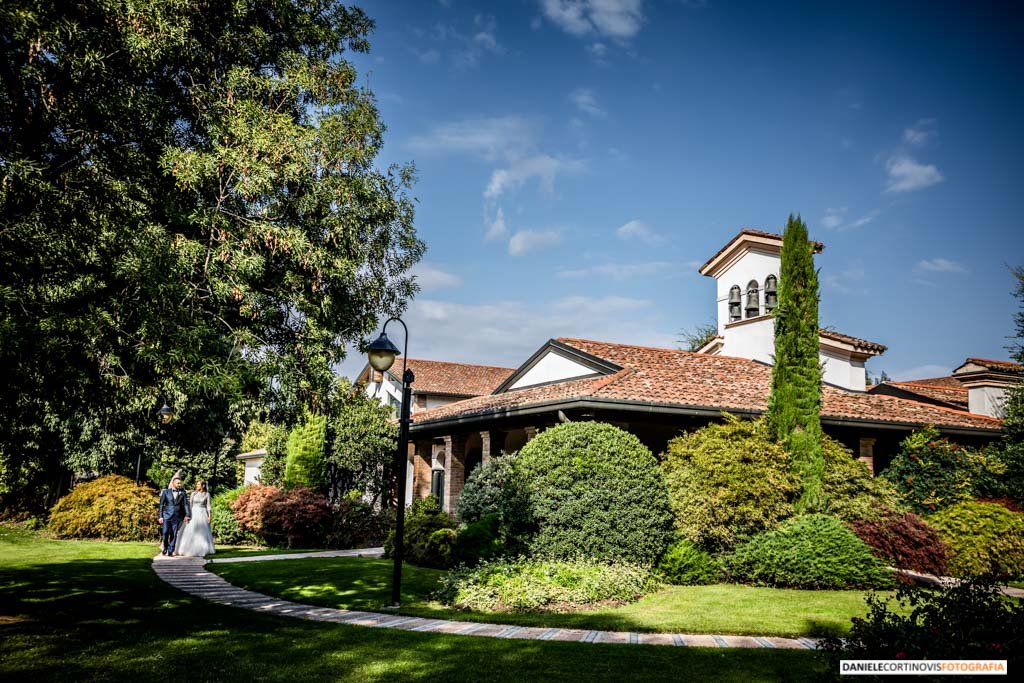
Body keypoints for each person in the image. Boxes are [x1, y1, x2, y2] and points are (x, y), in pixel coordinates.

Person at [175, 480, 216, 557]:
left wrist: (209, 516)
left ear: (203, 486)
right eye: (197, 484)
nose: (197, 486)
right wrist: (187, 515)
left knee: (202, 532)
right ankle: (186, 548)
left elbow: (208, 506)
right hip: (193, 513)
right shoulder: (193, 493)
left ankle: (202, 548)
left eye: (198, 484)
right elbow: (190, 505)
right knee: (191, 530)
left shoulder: (207, 494)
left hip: (202, 513)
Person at [158, 475, 191, 556]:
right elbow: (161, 505)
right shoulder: (166, 492)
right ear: (173, 483)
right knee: (165, 532)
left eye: (180, 483)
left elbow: (185, 505)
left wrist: (187, 514)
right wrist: (160, 516)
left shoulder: (183, 493)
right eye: (178, 483)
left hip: (177, 516)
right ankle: (165, 547)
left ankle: (170, 550)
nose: (179, 485)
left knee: (174, 534)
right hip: (166, 516)